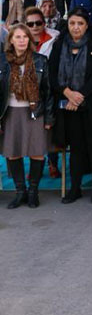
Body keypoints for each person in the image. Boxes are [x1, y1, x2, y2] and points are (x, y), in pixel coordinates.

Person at [48, 9, 92, 203]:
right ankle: (75, 188)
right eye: (72, 23)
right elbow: (52, 74)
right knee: (76, 148)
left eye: (80, 24)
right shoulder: (59, 45)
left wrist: (79, 96)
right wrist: (67, 93)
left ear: (87, 25)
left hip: (91, 105)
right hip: (67, 105)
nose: (76, 27)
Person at [3, 24, 54, 209]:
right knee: (13, 153)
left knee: (37, 152)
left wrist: (49, 118)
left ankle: (33, 192)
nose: (22, 40)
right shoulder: (3, 61)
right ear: (11, 40)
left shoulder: (40, 60)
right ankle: (20, 192)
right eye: (18, 37)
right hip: (10, 113)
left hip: (35, 112)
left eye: (25, 37)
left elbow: (48, 92)